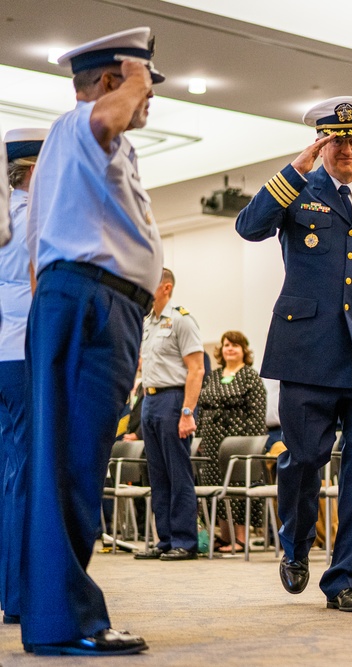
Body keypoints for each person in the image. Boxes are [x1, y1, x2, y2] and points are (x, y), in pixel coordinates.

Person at [236, 96, 352, 613]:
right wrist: (295, 169)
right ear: (321, 143)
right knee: (304, 459)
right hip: (307, 349)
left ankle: (345, 580)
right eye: (336, 140)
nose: (347, 150)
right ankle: (294, 545)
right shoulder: (298, 189)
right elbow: (249, 227)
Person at [21, 27, 164, 655]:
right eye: (145, 87)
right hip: (91, 302)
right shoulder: (84, 126)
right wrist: (131, 80)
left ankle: (58, 613)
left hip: (90, 304)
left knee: (72, 463)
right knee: (71, 467)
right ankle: (68, 621)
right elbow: (107, 115)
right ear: (110, 84)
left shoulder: (85, 152)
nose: (149, 99)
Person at [0, 128, 46, 627]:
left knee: (6, 475)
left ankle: (8, 587)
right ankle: (18, 595)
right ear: (35, 169)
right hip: (24, 351)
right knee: (26, 477)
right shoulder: (38, 215)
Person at [133, 268, 204, 562]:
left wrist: (187, 411)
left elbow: (196, 369)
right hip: (149, 400)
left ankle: (185, 540)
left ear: (166, 288)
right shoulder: (147, 322)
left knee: (177, 473)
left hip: (174, 399)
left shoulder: (181, 320)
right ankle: (166, 539)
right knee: (158, 475)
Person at [196, 331, 267, 552]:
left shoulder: (250, 376)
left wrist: (248, 443)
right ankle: (225, 537)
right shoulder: (214, 375)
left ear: (244, 350)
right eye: (226, 345)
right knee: (215, 487)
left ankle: (241, 538)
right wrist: (199, 435)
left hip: (238, 442)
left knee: (236, 486)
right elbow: (202, 408)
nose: (230, 349)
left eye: (235, 345)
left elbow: (257, 414)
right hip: (211, 441)